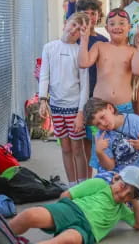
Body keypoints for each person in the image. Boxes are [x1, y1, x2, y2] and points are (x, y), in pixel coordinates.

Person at [9, 166, 139, 244]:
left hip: (87, 230)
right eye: (123, 186)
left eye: (130, 195)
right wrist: (58, 215)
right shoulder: (99, 184)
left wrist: (135, 200)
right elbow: (67, 195)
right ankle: (3, 233)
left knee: (69, 239)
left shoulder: (121, 210)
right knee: (30, 215)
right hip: (71, 210)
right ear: (115, 178)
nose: (123, 195)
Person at [83, 97, 139, 220]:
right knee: (96, 185)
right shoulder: (101, 135)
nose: (103, 124)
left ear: (110, 108)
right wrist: (99, 152)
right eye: (98, 124)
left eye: (102, 117)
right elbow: (110, 166)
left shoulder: (135, 121)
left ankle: (117, 207)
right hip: (119, 175)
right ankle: (119, 204)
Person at [39, 12, 89, 188]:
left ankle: (83, 186)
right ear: (66, 22)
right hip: (57, 107)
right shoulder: (49, 48)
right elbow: (44, 75)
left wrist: (81, 113)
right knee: (65, 149)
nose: (74, 30)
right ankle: (72, 186)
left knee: (77, 149)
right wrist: (43, 100)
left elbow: (85, 86)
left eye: (80, 29)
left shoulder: (80, 52)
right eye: (73, 24)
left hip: (74, 108)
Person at [65, 0, 109, 178]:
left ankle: (96, 180)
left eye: (93, 13)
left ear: (99, 16)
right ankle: (83, 181)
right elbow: (69, 19)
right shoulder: (74, 37)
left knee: (93, 141)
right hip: (77, 95)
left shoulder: (103, 41)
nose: (90, 16)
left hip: (95, 95)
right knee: (80, 143)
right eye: (85, 12)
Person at [78, 8, 139, 115]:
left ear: (129, 27)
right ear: (106, 28)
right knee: (99, 132)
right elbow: (83, 63)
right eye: (112, 24)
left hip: (124, 108)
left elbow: (138, 71)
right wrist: (84, 39)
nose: (117, 27)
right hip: (99, 107)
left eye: (122, 23)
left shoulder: (133, 50)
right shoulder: (99, 46)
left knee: (124, 132)